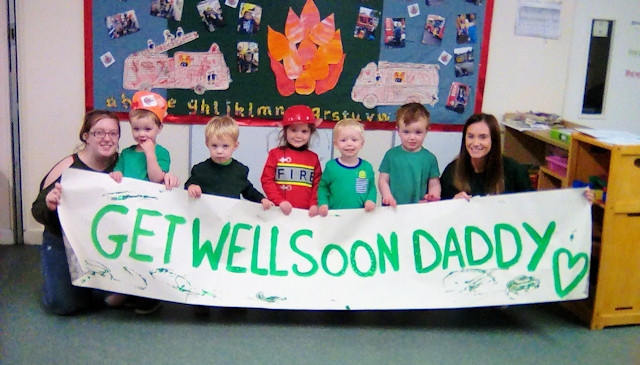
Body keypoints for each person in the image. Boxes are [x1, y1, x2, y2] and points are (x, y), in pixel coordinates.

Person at [31, 110, 121, 315]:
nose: (107, 138)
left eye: (113, 133)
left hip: (105, 243)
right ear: (86, 136)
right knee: (63, 305)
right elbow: (37, 210)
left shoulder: (122, 165)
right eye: (99, 133)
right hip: (64, 241)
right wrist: (49, 203)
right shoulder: (68, 167)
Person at [185, 115, 273, 316]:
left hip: (230, 227)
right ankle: (202, 301)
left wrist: (262, 200)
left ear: (235, 145)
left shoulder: (240, 170)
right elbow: (188, 185)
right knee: (206, 263)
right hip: (207, 227)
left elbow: (247, 190)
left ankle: (231, 300)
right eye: (214, 146)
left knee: (231, 262)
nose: (219, 151)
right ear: (207, 144)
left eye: (225, 146)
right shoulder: (201, 169)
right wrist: (192, 186)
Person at [108, 90, 180, 314]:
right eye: (136, 129)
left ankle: (150, 296)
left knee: (145, 252)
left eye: (148, 129)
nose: (142, 134)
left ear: (159, 128)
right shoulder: (126, 153)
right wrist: (116, 175)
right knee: (126, 250)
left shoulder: (161, 152)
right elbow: (117, 172)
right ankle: (126, 289)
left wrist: (150, 154)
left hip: (149, 212)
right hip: (127, 211)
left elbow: (156, 178)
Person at [441, 113, 595, 202]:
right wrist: (453, 204)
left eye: (483, 137)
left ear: (494, 140)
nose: (476, 143)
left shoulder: (513, 170)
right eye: (470, 136)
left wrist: (577, 200)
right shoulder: (452, 171)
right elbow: (439, 214)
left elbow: (534, 207)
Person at [261, 105, 323, 216]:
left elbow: (317, 185)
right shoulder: (275, 154)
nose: (298, 135)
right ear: (285, 131)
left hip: (305, 214)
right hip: (278, 211)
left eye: (304, 131)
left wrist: (314, 203)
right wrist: (279, 200)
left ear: (310, 133)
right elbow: (267, 180)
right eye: (293, 130)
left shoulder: (313, 158)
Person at [378, 102, 441, 206]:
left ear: (427, 131)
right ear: (398, 130)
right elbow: (383, 180)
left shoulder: (430, 158)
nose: (412, 137)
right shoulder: (391, 155)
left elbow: (434, 184)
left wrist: (433, 197)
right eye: (406, 132)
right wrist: (387, 196)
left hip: (419, 209)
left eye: (418, 132)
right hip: (393, 208)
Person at [317, 119, 377, 216]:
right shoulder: (331, 166)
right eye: (343, 140)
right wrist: (323, 202)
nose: (349, 144)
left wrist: (371, 199)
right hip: (335, 217)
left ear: (362, 143)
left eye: (354, 140)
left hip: (359, 218)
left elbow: (371, 187)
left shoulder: (367, 167)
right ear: (336, 144)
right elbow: (323, 188)